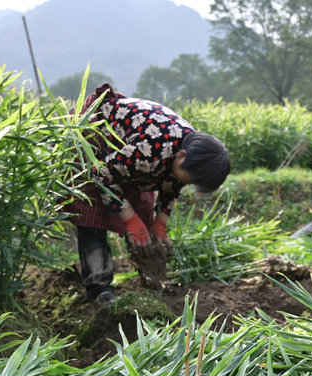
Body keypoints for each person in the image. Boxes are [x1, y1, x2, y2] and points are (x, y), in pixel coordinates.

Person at [62, 83, 231, 305]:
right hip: (94, 139)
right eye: (188, 179)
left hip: (126, 154)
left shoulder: (190, 149)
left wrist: (160, 223)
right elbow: (100, 174)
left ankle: (149, 275)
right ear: (181, 156)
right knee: (92, 216)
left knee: (142, 211)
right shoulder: (149, 152)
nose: (186, 184)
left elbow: (173, 184)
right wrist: (130, 219)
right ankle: (99, 288)